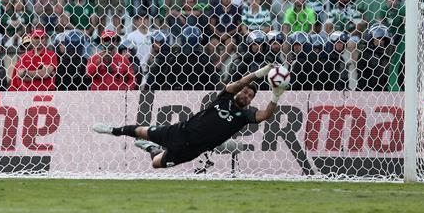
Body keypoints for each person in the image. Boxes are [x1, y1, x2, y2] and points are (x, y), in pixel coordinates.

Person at [92, 63, 287, 169]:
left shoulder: (245, 115)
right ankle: (112, 130)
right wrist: (260, 73)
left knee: (156, 164)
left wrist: (276, 94)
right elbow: (238, 83)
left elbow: (266, 115)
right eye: (245, 92)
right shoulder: (225, 97)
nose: (246, 95)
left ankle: (152, 149)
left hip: (193, 150)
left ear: (251, 101)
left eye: (250, 96)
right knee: (141, 131)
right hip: (181, 132)